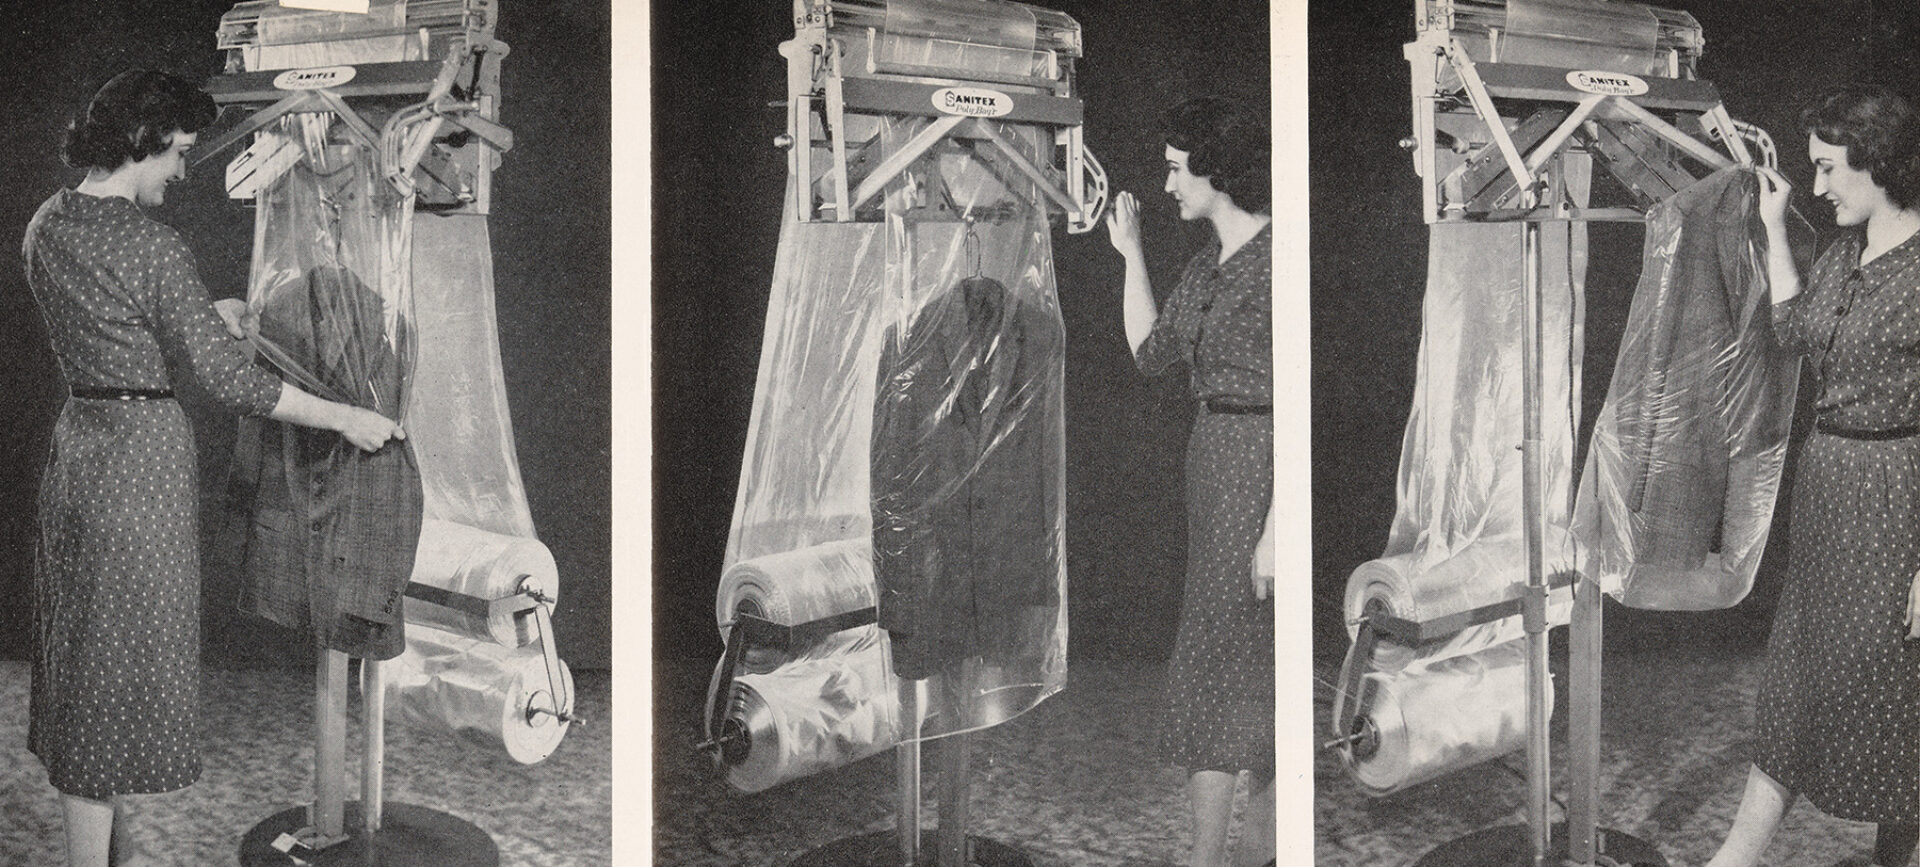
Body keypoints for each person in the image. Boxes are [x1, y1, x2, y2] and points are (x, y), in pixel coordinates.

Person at [23, 70, 404, 867]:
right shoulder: (152, 246)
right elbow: (232, 383)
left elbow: (115, 325)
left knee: (91, 657)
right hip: (140, 465)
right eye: (179, 154)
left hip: (81, 451)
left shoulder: (49, 225)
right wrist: (347, 416)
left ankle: (109, 856)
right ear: (145, 141)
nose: (181, 171)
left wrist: (205, 316)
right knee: (115, 670)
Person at [1705, 83, 1920, 867]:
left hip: (1899, 501)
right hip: (1830, 494)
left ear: (1879, 163)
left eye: (1830, 169)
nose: (1819, 186)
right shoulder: (1843, 256)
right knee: (1799, 682)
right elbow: (1791, 330)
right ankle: (1737, 854)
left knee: (1898, 699)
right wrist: (1770, 227)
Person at [1105, 96, 1275, 867]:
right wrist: (1131, 250)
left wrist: (1280, 525)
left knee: (1224, 662)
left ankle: (1216, 859)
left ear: (1218, 168)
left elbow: (1300, 400)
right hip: (1214, 465)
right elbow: (1149, 352)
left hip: (1263, 470)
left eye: (1177, 169)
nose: (1168, 183)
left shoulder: (1281, 258)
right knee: (1235, 661)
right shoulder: (1208, 263)